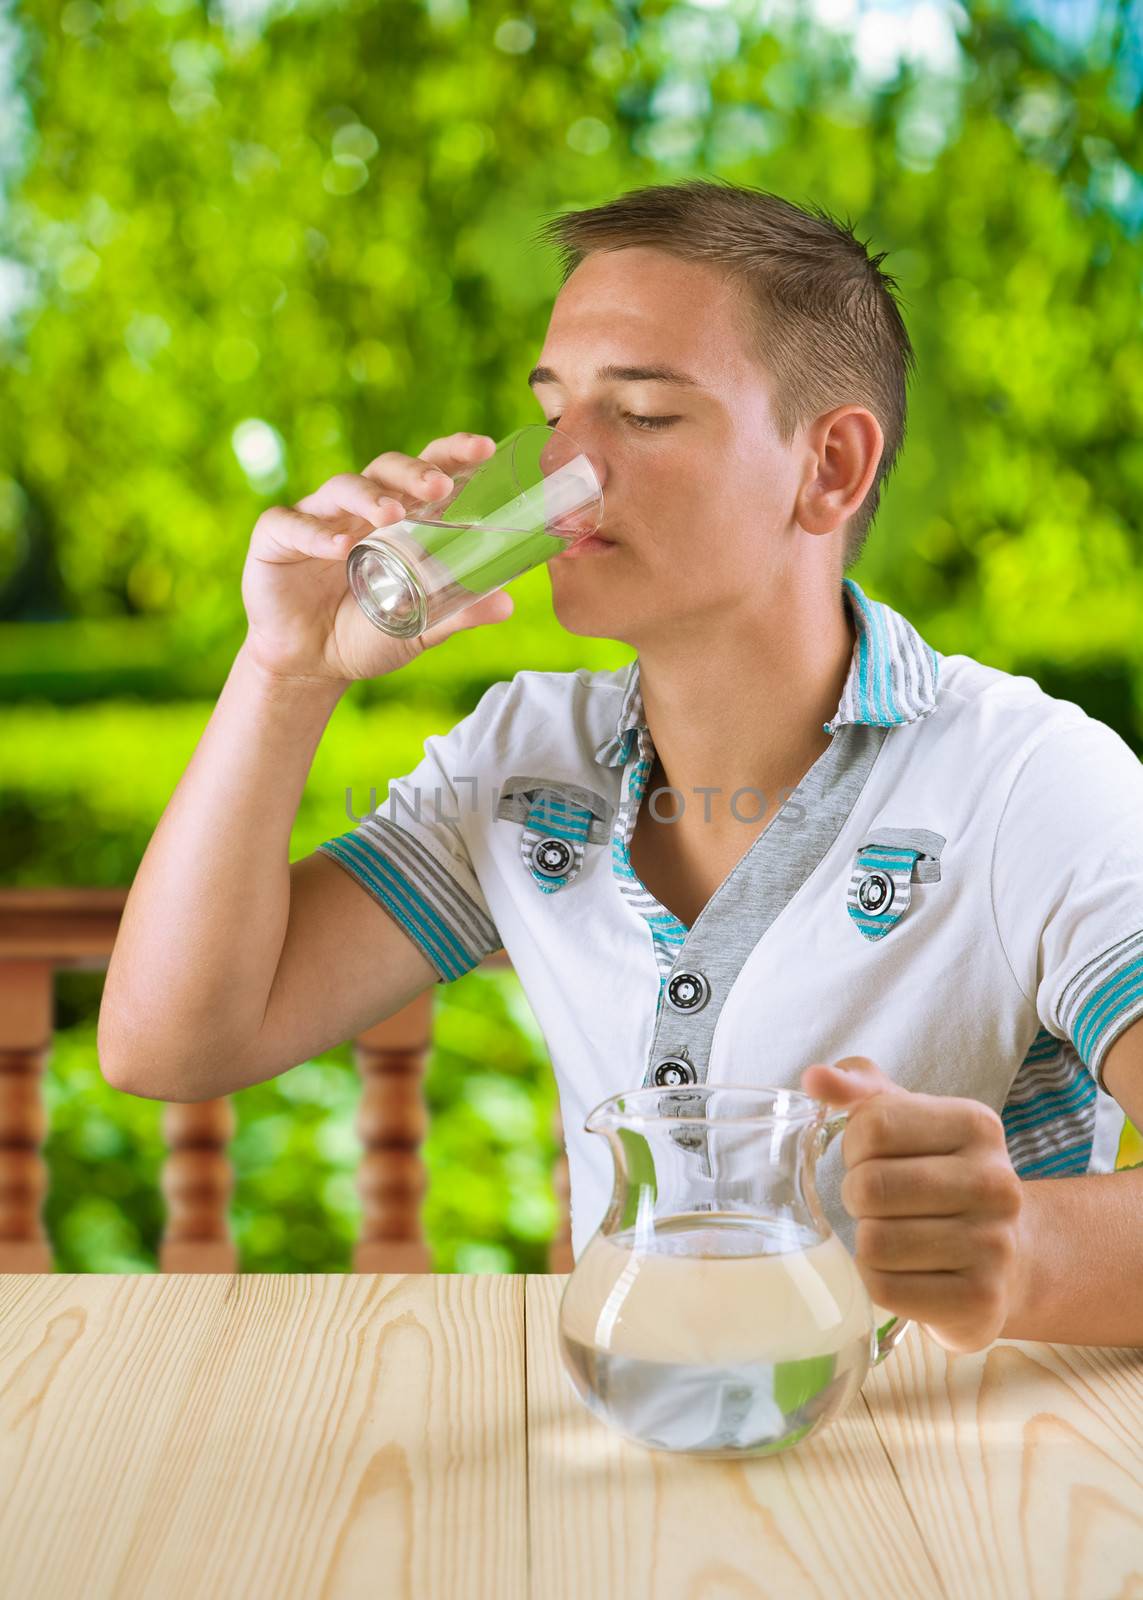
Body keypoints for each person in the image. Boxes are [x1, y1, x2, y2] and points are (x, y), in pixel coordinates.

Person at [99, 180, 1143, 1353]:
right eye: (554, 411)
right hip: (635, 1448)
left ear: (832, 468)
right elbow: (169, 1044)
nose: (566, 472)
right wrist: (286, 673)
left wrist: (1028, 1253)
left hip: (958, 1486)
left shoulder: (1029, 780)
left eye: (642, 414)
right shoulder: (524, 760)